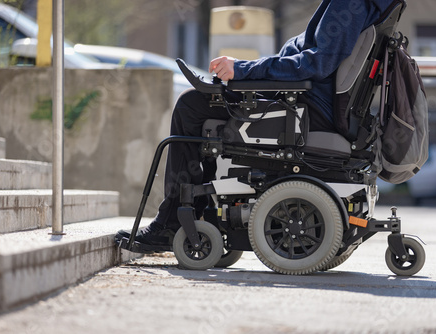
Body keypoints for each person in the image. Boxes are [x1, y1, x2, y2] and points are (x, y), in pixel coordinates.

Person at [115, 0, 396, 249]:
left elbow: (316, 64)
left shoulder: (351, 4)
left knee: (191, 105)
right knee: (202, 101)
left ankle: (171, 223)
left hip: (305, 107)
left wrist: (243, 70)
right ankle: (194, 215)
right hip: (313, 103)